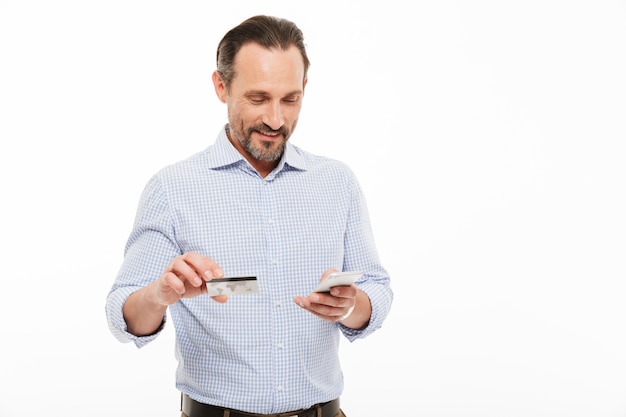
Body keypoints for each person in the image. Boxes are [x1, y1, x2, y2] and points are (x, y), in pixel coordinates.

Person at [105, 14, 393, 417]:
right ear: (221, 87)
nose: (276, 120)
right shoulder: (172, 188)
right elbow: (123, 314)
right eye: (258, 99)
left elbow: (377, 287)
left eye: (290, 99)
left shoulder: (337, 183)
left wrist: (352, 305)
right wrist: (160, 293)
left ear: (305, 88)